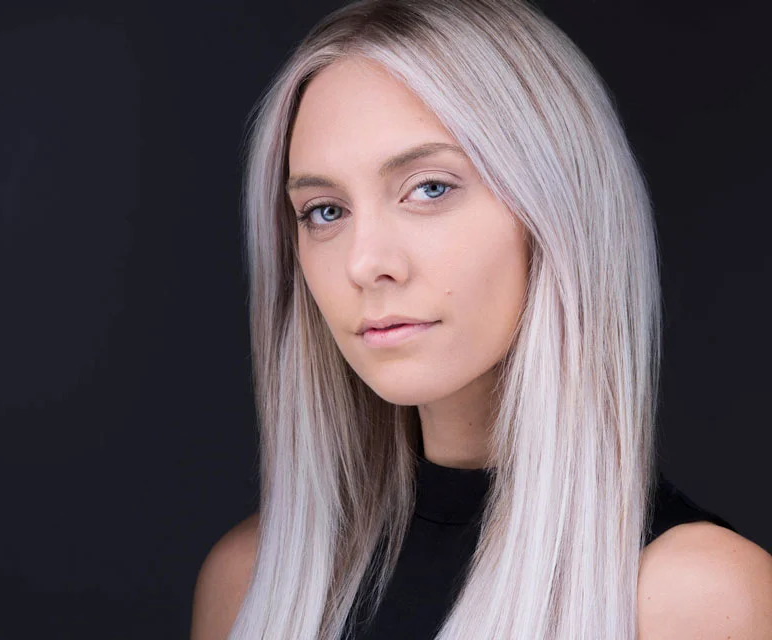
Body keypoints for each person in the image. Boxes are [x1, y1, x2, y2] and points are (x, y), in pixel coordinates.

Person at [190, 1, 772, 639]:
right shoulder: (248, 584)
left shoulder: (695, 598)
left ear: (555, 209)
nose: (365, 263)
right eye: (325, 211)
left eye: (430, 188)